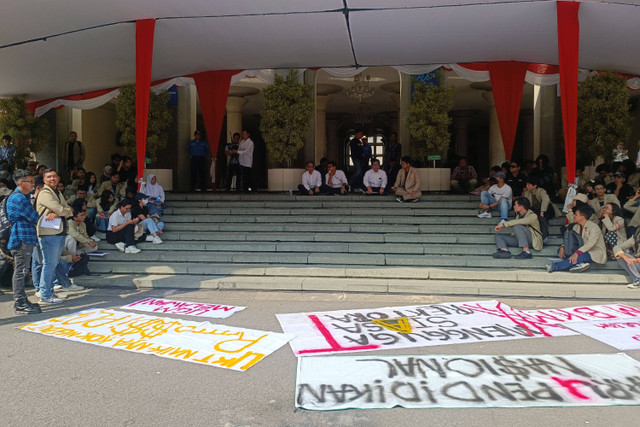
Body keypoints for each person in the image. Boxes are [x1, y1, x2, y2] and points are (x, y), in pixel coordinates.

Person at [35, 169, 74, 304]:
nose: (52, 179)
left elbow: (66, 209)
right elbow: (62, 209)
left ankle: (49, 292)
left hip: (57, 231)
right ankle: (45, 295)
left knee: (52, 263)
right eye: (49, 177)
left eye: (54, 176)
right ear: (44, 179)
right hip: (48, 233)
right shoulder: (45, 192)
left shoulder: (57, 192)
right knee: (50, 264)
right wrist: (64, 212)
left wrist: (62, 212)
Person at [6, 170, 41, 314]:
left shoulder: (22, 196)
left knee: (23, 269)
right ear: (21, 183)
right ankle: (19, 301)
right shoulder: (18, 198)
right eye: (30, 182)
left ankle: (22, 299)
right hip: (21, 237)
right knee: (21, 271)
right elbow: (34, 216)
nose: (33, 184)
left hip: (24, 236)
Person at [546, 204, 606, 273]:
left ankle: (554, 267)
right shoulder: (576, 227)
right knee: (560, 250)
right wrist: (563, 247)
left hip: (593, 251)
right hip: (580, 249)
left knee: (580, 256)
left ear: (582, 217)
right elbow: (570, 240)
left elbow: (590, 244)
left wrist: (577, 253)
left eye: (576, 215)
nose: (574, 216)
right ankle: (579, 264)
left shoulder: (594, 227)